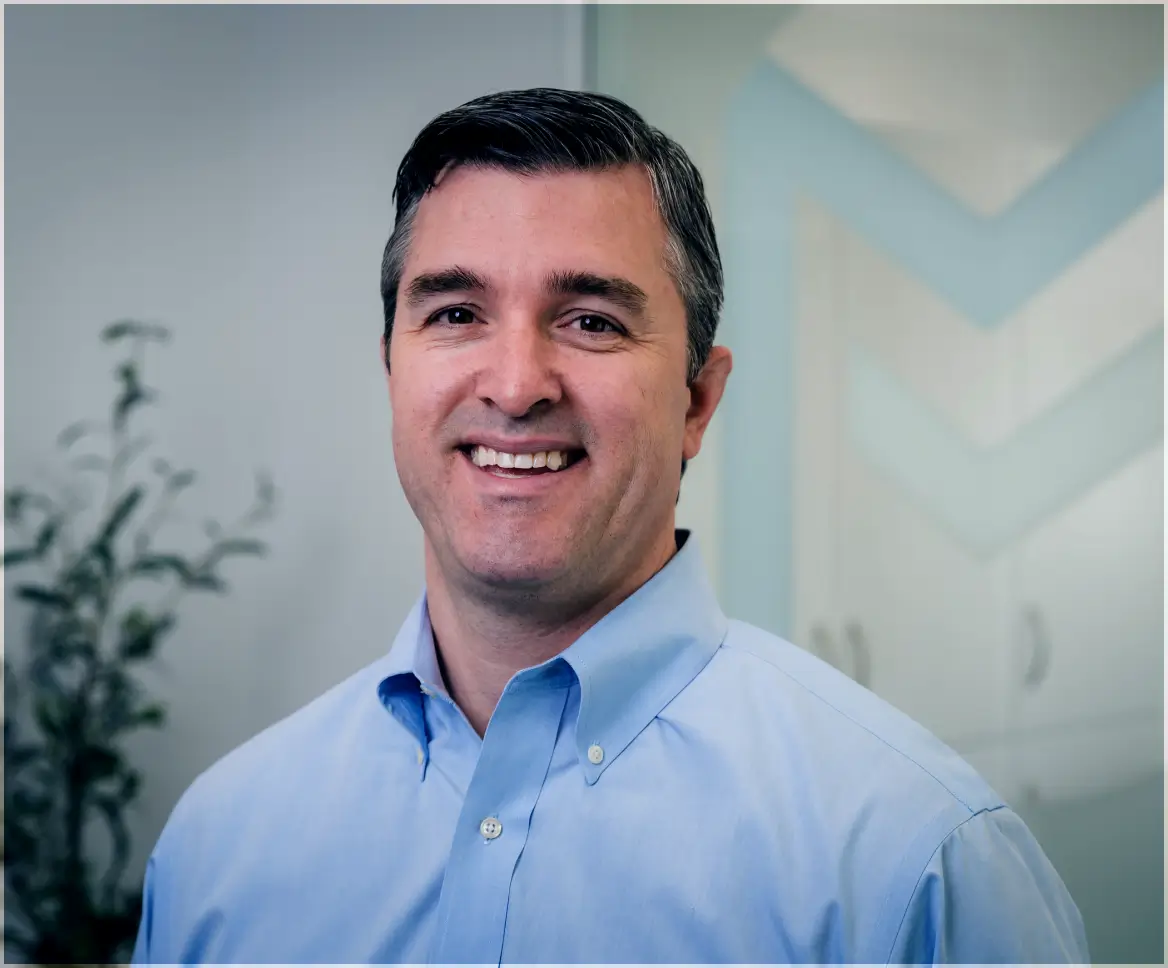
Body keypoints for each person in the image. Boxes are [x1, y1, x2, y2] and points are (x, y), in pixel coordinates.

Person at [132, 88, 1089, 965]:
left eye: (590, 320)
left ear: (697, 403)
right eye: (457, 311)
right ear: (393, 368)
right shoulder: (219, 849)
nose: (514, 386)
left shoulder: (918, 857)